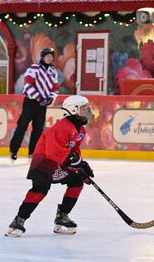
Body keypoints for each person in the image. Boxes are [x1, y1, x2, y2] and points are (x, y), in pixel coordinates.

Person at [7, 94, 94, 236]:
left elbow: (74, 150)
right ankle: (19, 220)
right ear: (74, 109)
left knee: (77, 182)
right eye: (84, 108)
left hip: (61, 161)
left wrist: (81, 166)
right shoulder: (63, 127)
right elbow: (54, 152)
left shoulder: (81, 129)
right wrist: (77, 163)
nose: (87, 111)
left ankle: (62, 217)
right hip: (44, 161)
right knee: (40, 189)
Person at [10, 47, 59, 161]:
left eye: (51, 56)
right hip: (30, 102)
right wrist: (39, 97)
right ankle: (14, 150)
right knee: (22, 126)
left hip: (42, 105)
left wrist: (50, 98)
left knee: (38, 129)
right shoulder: (34, 68)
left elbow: (55, 89)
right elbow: (28, 85)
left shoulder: (53, 72)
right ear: (42, 57)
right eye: (47, 56)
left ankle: (33, 153)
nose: (49, 58)